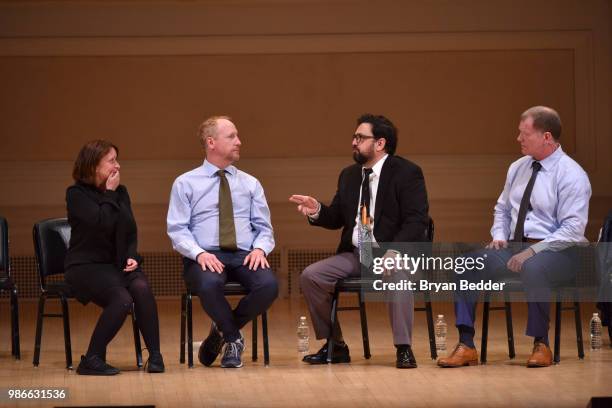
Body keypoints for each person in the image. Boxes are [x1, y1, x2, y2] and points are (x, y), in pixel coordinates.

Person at [437, 106, 591, 368]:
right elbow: (502, 209)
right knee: (465, 264)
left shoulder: (572, 174)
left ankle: (541, 343)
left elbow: (573, 230)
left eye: (525, 134)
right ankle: (466, 344)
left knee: (534, 267)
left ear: (547, 137)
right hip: (514, 247)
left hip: (558, 253)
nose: (518, 139)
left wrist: (532, 251)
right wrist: (499, 235)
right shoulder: (518, 167)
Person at [290, 113, 430, 368]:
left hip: (392, 255)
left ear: (380, 143)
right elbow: (336, 217)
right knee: (311, 276)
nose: (354, 142)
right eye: (354, 137)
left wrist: (395, 252)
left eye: (360, 137)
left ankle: (404, 348)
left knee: (398, 273)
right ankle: (336, 344)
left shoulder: (407, 172)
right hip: (356, 254)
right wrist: (317, 210)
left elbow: (416, 221)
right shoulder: (349, 175)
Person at [167, 116, 278, 369]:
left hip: (244, 253)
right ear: (211, 142)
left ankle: (221, 329)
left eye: (237, 136)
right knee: (208, 284)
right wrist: (198, 254)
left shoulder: (250, 183)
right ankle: (233, 339)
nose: (239, 142)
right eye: (231, 136)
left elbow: (264, 228)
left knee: (269, 285)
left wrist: (260, 248)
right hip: (204, 255)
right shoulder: (185, 183)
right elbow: (177, 230)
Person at [65, 140, 164, 375]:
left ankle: (156, 355)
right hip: (85, 266)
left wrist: (131, 255)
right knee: (121, 299)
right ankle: (92, 358)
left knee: (140, 286)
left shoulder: (121, 192)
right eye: (111, 161)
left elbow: (128, 229)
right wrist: (109, 193)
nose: (117, 166)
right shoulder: (76, 194)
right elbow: (101, 223)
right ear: (93, 166)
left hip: (114, 265)